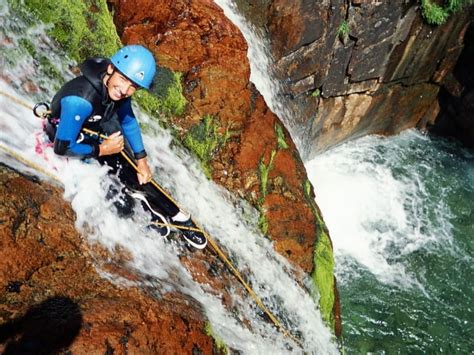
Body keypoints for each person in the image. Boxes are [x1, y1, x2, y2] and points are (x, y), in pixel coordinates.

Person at [44, 44, 206, 249]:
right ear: (111, 69)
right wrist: (102, 150)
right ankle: (137, 208)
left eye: (133, 87)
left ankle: (180, 216)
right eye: (123, 80)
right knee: (115, 200)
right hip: (70, 140)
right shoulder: (80, 100)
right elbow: (62, 147)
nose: (125, 91)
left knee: (137, 173)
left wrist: (142, 160)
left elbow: (128, 122)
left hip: (97, 128)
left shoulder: (117, 91)